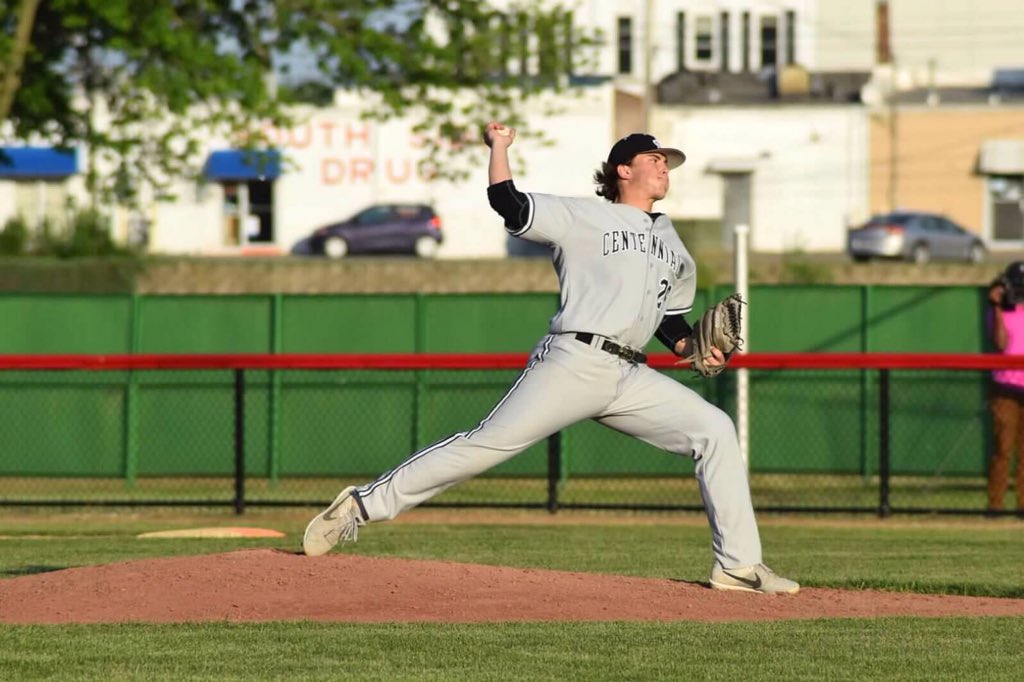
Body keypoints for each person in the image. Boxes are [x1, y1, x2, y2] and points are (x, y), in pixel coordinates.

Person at [303, 123, 799, 594]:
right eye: (655, 158)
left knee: (714, 429)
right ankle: (360, 506)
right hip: (574, 361)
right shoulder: (582, 215)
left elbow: (670, 322)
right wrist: (498, 146)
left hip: (630, 374)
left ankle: (737, 565)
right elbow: (510, 205)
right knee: (484, 445)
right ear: (623, 169)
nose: (665, 166)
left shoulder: (672, 242)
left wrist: (694, 348)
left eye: (667, 161)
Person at [986, 261, 1024, 513]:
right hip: (1006, 388)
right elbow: (1000, 344)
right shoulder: (1000, 312)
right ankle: (995, 507)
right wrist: (997, 307)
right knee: (1003, 449)